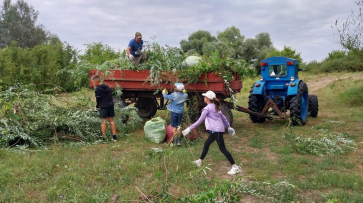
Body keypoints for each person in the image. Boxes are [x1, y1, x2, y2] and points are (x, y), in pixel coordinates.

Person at [182, 90, 240, 175]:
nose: (204, 98)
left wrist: (189, 128)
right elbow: (223, 117)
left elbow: (199, 121)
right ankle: (200, 161)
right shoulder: (216, 106)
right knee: (206, 144)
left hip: (217, 131)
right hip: (215, 131)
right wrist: (228, 127)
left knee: (223, 149)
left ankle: (235, 166)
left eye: (205, 97)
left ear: (207, 99)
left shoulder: (207, 109)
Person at [91, 75, 117, 142]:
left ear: (96, 81)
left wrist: (97, 107)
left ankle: (103, 137)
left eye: (93, 82)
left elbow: (98, 99)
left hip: (104, 106)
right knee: (111, 121)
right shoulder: (106, 86)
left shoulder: (98, 89)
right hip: (110, 105)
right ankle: (114, 137)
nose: (93, 84)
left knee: (103, 121)